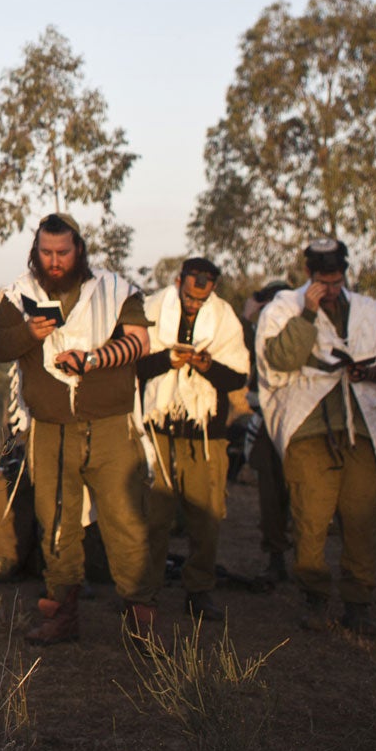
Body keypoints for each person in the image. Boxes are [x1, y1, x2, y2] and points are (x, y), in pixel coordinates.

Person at [0, 213, 151, 645]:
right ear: (35, 251)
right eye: (46, 252)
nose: (54, 261)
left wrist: (92, 359)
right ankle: (61, 613)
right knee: (56, 523)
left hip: (111, 424)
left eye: (62, 252)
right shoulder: (21, 294)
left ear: (79, 250)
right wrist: (28, 332)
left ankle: (142, 620)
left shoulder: (114, 291)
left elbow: (139, 341)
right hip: (52, 427)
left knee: (126, 521)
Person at [255, 238, 376, 637]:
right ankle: (314, 597)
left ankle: (358, 602)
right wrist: (309, 313)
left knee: (361, 516)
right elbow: (281, 360)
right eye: (322, 280)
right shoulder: (284, 308)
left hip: (358, 427)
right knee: (311, 519)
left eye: (336, 279)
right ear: (309, 276)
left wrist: (371, 372)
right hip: (308, 426)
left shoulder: (367, 310)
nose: (331, 288)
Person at [133, 258, 248, 623]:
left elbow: (237, 378)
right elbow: (133, 365)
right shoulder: (151, 308)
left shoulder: (225, 318)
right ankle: (144, 592)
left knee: (206, 515)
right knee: (154, 515)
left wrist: (205, 366)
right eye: (190, 296)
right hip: (158, 426)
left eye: (203, 298)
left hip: (205, 430)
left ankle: (199, 591)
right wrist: (169, 360)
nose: (195, 303)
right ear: (179, 281)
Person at [235, 281, 292, 585]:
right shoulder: (260, 335)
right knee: (271, 493)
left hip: (293, 419)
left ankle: (290, 556)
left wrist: (249, 316)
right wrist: (247, 319)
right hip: (268, 422)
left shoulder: (293, 332)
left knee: (292, 494)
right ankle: (277, 556)